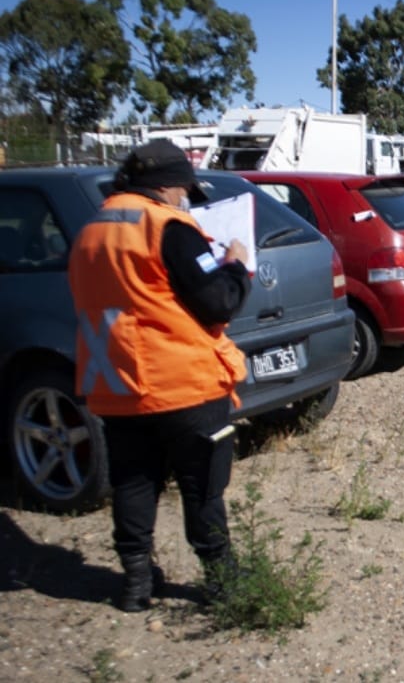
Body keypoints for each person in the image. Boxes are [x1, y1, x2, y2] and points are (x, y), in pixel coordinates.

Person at [68, 139, 252, 612]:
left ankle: (134, 584)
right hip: (181, 384)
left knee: (133, 481)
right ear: (168, 185)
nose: (185, 198)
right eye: (184, 190)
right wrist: (236, 265)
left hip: (115, 384)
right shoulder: (167, 227)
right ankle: (223, 584)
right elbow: (219, 301)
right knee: (202, 487)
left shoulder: (91, 230)